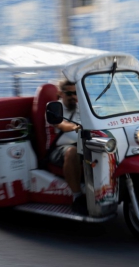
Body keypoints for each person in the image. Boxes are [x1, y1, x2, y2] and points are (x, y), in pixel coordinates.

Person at [47, 79, 86, 214]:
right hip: (60, 149)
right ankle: (77, 197)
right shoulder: (54, 108)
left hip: (82, 144)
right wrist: (75, 127)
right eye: (69, 93)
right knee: (72, 152)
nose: (73, 97)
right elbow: (61, 125)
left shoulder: (81, 106)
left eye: (75, 93)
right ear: (61, 94)